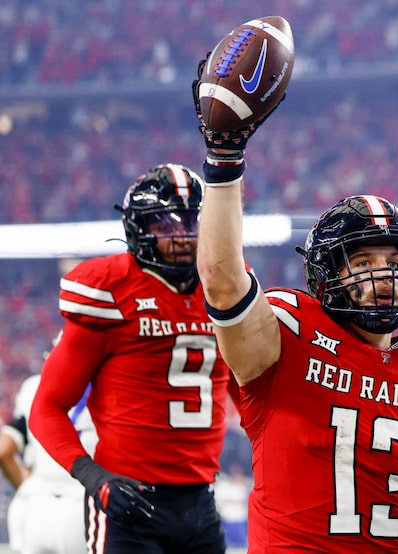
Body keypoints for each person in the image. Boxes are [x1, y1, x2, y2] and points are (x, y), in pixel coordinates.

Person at [191, 73, 398, 551]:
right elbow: (221, 278)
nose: (384, 276)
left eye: (395, 264)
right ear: (324, 276)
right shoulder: (287, 332)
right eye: (364, 263)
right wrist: (224, 161)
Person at [29, 164, 231, 553]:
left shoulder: (223, 289)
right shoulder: (110, 289)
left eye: (192, 221)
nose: (183, 236)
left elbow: (249, 391)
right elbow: (47, 406)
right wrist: (94, 477)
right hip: (128, 501)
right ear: (139, 229)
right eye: (166, 224)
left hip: (201, 502)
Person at [0, 339, 98, 554]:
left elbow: (4, 449)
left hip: (35, 502)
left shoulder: (33, 385)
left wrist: (26, 485)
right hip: (82, 502)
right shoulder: (111, 389)